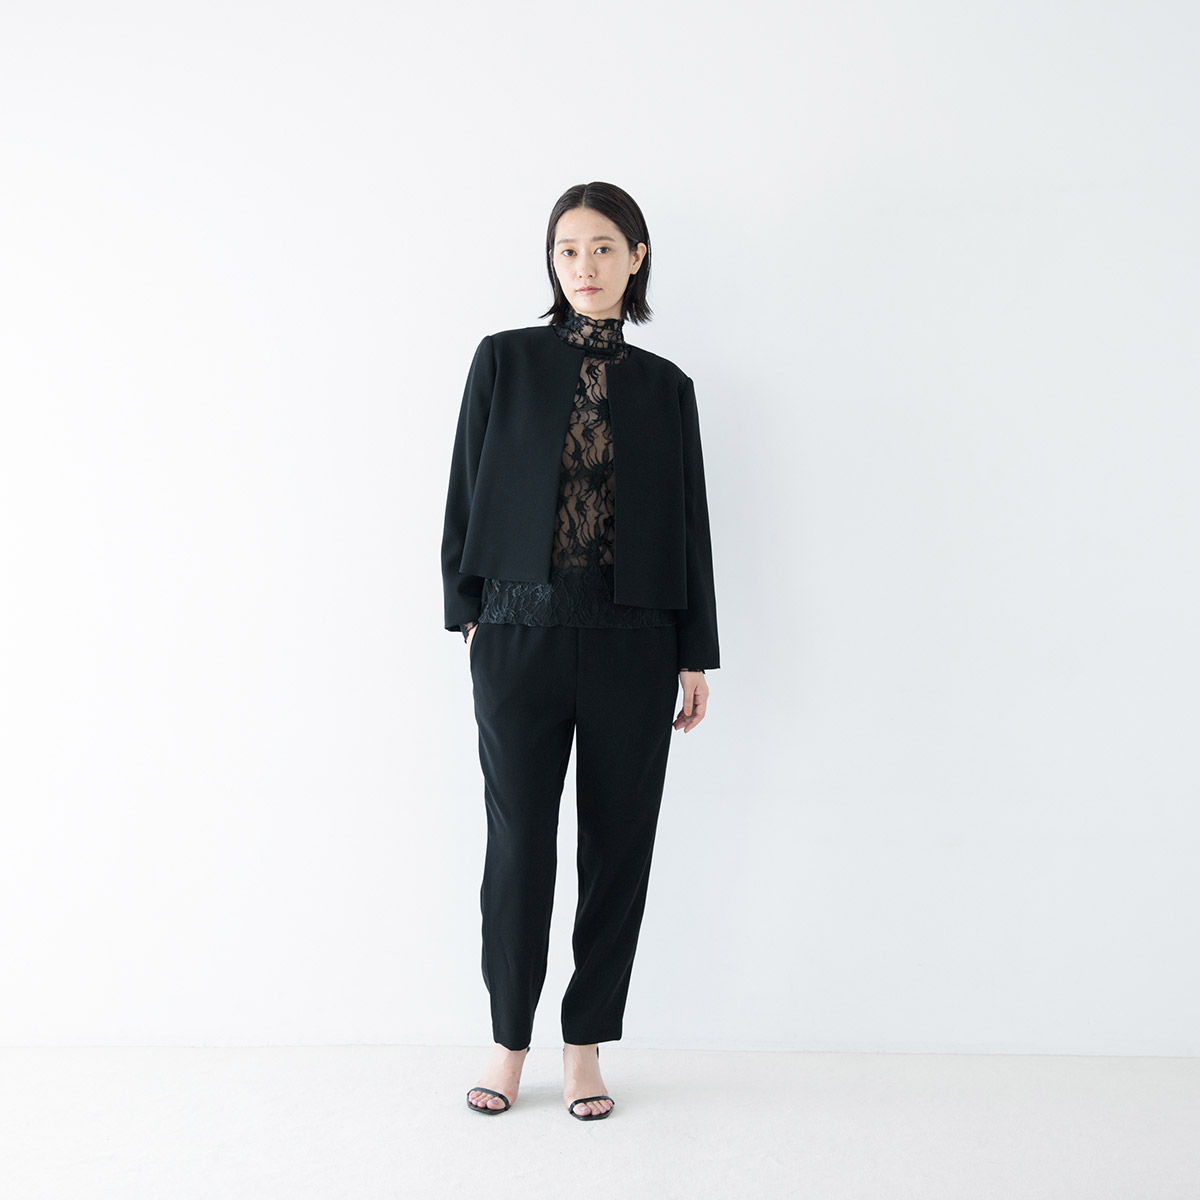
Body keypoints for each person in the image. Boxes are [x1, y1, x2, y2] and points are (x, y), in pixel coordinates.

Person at [440, 181, 720, 1120]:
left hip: (635, 645)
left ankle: (586, 1045)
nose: (584, 266)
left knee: (618, 848)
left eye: (603, 248)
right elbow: (465, 488)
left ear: (636, 258)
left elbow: (690, 526)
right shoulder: (504, 361)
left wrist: (695, 653)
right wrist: (468, 614)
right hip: (516, 636)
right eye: (568, 250)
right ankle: (507, 1042)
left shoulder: (666, 387)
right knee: (519, 844)